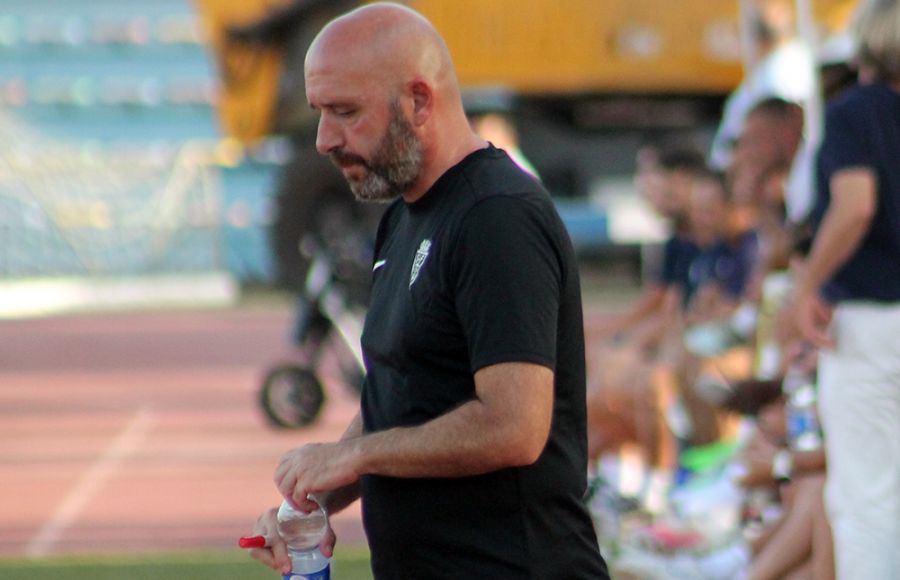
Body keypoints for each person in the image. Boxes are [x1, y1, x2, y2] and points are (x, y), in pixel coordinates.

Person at [245, 3, 610, 579]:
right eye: (320, 113)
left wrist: (351, 456)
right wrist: (315, 499)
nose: (322, 139)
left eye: (344, 112)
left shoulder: (497, 217)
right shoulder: (404, 215)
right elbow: (400, 400)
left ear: (418, 101)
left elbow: (514, 427)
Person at [789, 0, 900, 578]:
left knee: (867, 498)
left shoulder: (857, 113)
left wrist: (804, 285)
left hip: (874, 320)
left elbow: (855, 206)